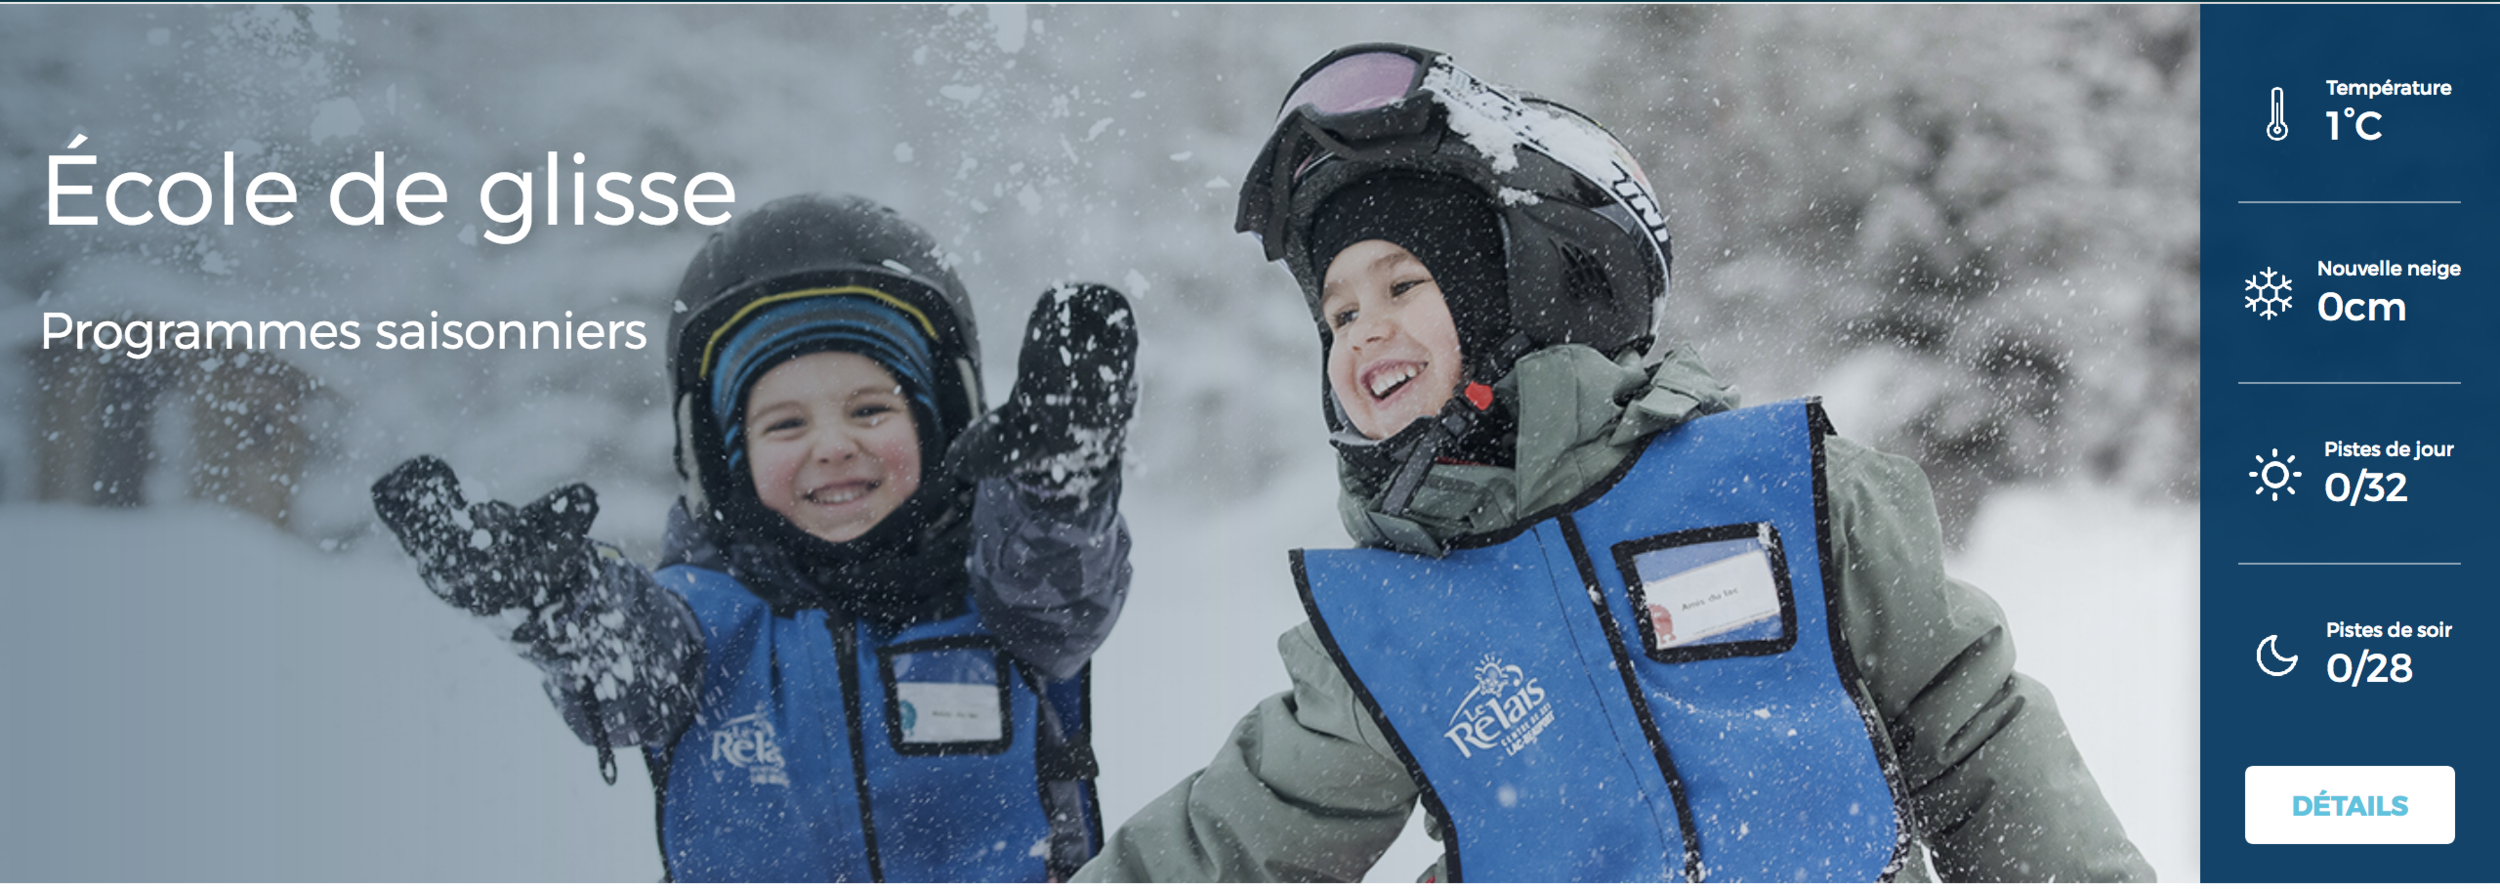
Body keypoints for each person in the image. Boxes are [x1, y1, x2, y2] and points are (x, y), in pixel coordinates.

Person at [1073, 44, 2153, 883]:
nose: (1362, 332)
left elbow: (1974, 728)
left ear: (1522, 289)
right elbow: (1234, 843)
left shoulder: (1783, 492)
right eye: (1337, 312)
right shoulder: (1397, 626)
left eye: (1403, 285)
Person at [371, 194, 1138, 882]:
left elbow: (1065, 590)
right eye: (787, 423)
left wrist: (1060, 486)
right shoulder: (700, 621)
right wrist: (554, 597)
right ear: (724, 459)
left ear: (939, 426)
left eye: (870, 410)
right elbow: (626, 672)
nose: (834, 445)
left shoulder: (1001, 593)